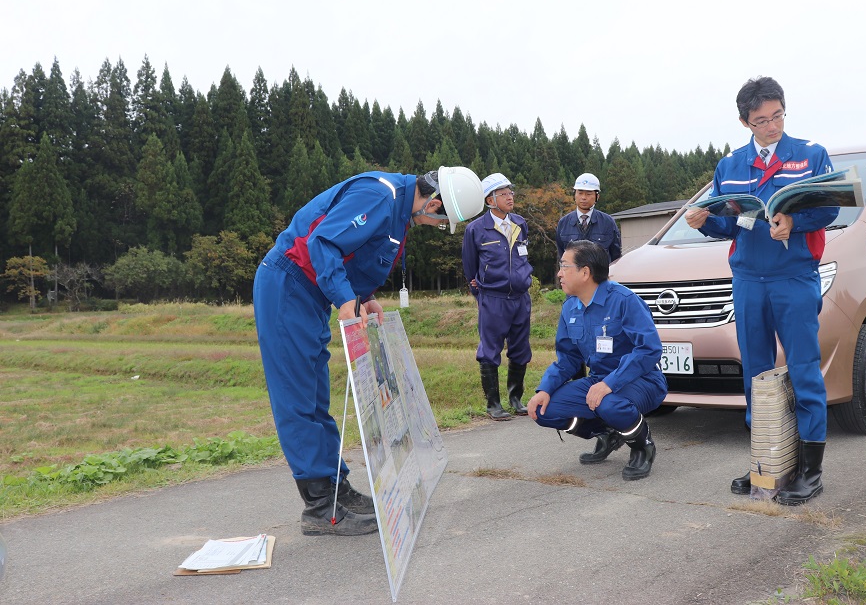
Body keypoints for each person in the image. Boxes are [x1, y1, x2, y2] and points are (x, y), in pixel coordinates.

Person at [253, 166, 484, 535]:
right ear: (435, 203)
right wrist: (345, 301)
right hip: (289, 283)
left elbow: (357, 256)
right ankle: (318, 506)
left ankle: (335, 487)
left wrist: (364, 299)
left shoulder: (400, 210)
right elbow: (324, 243)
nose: (436, 225)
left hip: (310, 293)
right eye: (441, 221)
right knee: (297, 396)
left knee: (316, 396)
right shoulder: (380, 195)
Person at [684, 76, 838, 505]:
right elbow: (726, 221)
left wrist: (795, 222)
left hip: (794, 277)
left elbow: (828, 206)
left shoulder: (810, 155)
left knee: (805, 369)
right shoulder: (730, 166)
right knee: (755, 373)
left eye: (777, 116)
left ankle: (810, 469)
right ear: (744, 121)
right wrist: (704, 222)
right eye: (761, 121)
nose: (771, 127)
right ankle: (767, 460)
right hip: (749, 280)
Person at [527, 240, 666, 481]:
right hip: (598, 381)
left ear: (585, 272)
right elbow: (568, 357)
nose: (559, 273)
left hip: (642, 380)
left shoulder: (624, 300)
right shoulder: (570, 307)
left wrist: (609, 384)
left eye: (564, 266)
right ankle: (609, 432)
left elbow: (649, 349)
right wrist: (545, 389)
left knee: (608, 404)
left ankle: (642, 444)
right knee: (543, 411)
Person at [462, 173, 533, 420]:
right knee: (490, 349)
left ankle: (516, 398)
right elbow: (469, 267)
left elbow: (524, 255)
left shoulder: (520, 223)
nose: (510, 197)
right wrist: (480, 292)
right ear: (490, 200)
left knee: (521, 348)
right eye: (503, 193)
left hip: (521, 298)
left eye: (510, 192)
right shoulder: (475, 229)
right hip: (493, 298)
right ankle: (494, 404)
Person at [555, 173, 622, 263]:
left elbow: (616, 256)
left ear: (597, 196)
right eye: (580, 193)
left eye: (588, 194)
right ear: (574, 194)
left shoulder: (608, 222)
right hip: (574, 276)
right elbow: (562, 255)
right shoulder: (564, 223)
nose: (583, 197)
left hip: (600, 276)